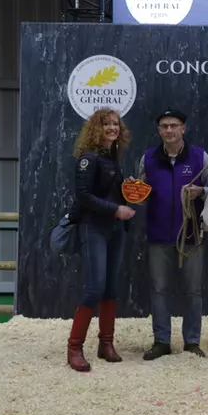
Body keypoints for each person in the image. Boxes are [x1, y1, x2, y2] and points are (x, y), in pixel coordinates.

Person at [130, 108, 208, 360]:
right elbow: (142, 194)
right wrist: (134, 191)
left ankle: (191, 342)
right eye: (164, 126)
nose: (169, 130)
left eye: (174, 126)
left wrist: (202, 191)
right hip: (158, 234)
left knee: (193, 290)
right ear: (159, 130)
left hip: (191, 235)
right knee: (159, 290)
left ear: (183, 129)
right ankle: (161, 341)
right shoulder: (148, 158)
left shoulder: (200, 156)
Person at [67, 108, 136, 372]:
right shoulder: (89, 158)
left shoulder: (112, 157)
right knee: (94, 288)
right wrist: (115, 209)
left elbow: (106, 192)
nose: (112, 128)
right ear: (96, 128)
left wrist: (126, 188)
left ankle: (106, 343)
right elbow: (83, 195)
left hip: (115, 229)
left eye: (116, 124)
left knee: (110, 288)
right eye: (106, 124)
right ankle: (74, 347)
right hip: (93, 227)